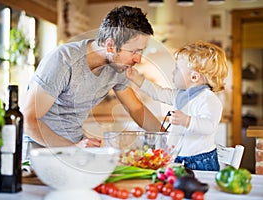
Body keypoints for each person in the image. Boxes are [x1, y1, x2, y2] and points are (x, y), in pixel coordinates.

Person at [22, 6, 163, 148]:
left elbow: (136, 109)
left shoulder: (117, 67)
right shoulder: (64, 60)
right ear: (110, 46)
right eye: (134, 51)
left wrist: (167, 138)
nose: (138, 59)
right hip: (39, 150)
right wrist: (73, 148)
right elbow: (28, 121)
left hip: (75, 148)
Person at [126, 41, 228, 171]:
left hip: (200, 161)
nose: (173, 73)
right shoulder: (180, 95)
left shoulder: (208, 99)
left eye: (177, 69)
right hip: (178, 158)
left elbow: (209, 126)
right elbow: (159, 93)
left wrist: (187, 120)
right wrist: (137, 78)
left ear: (194, 77)